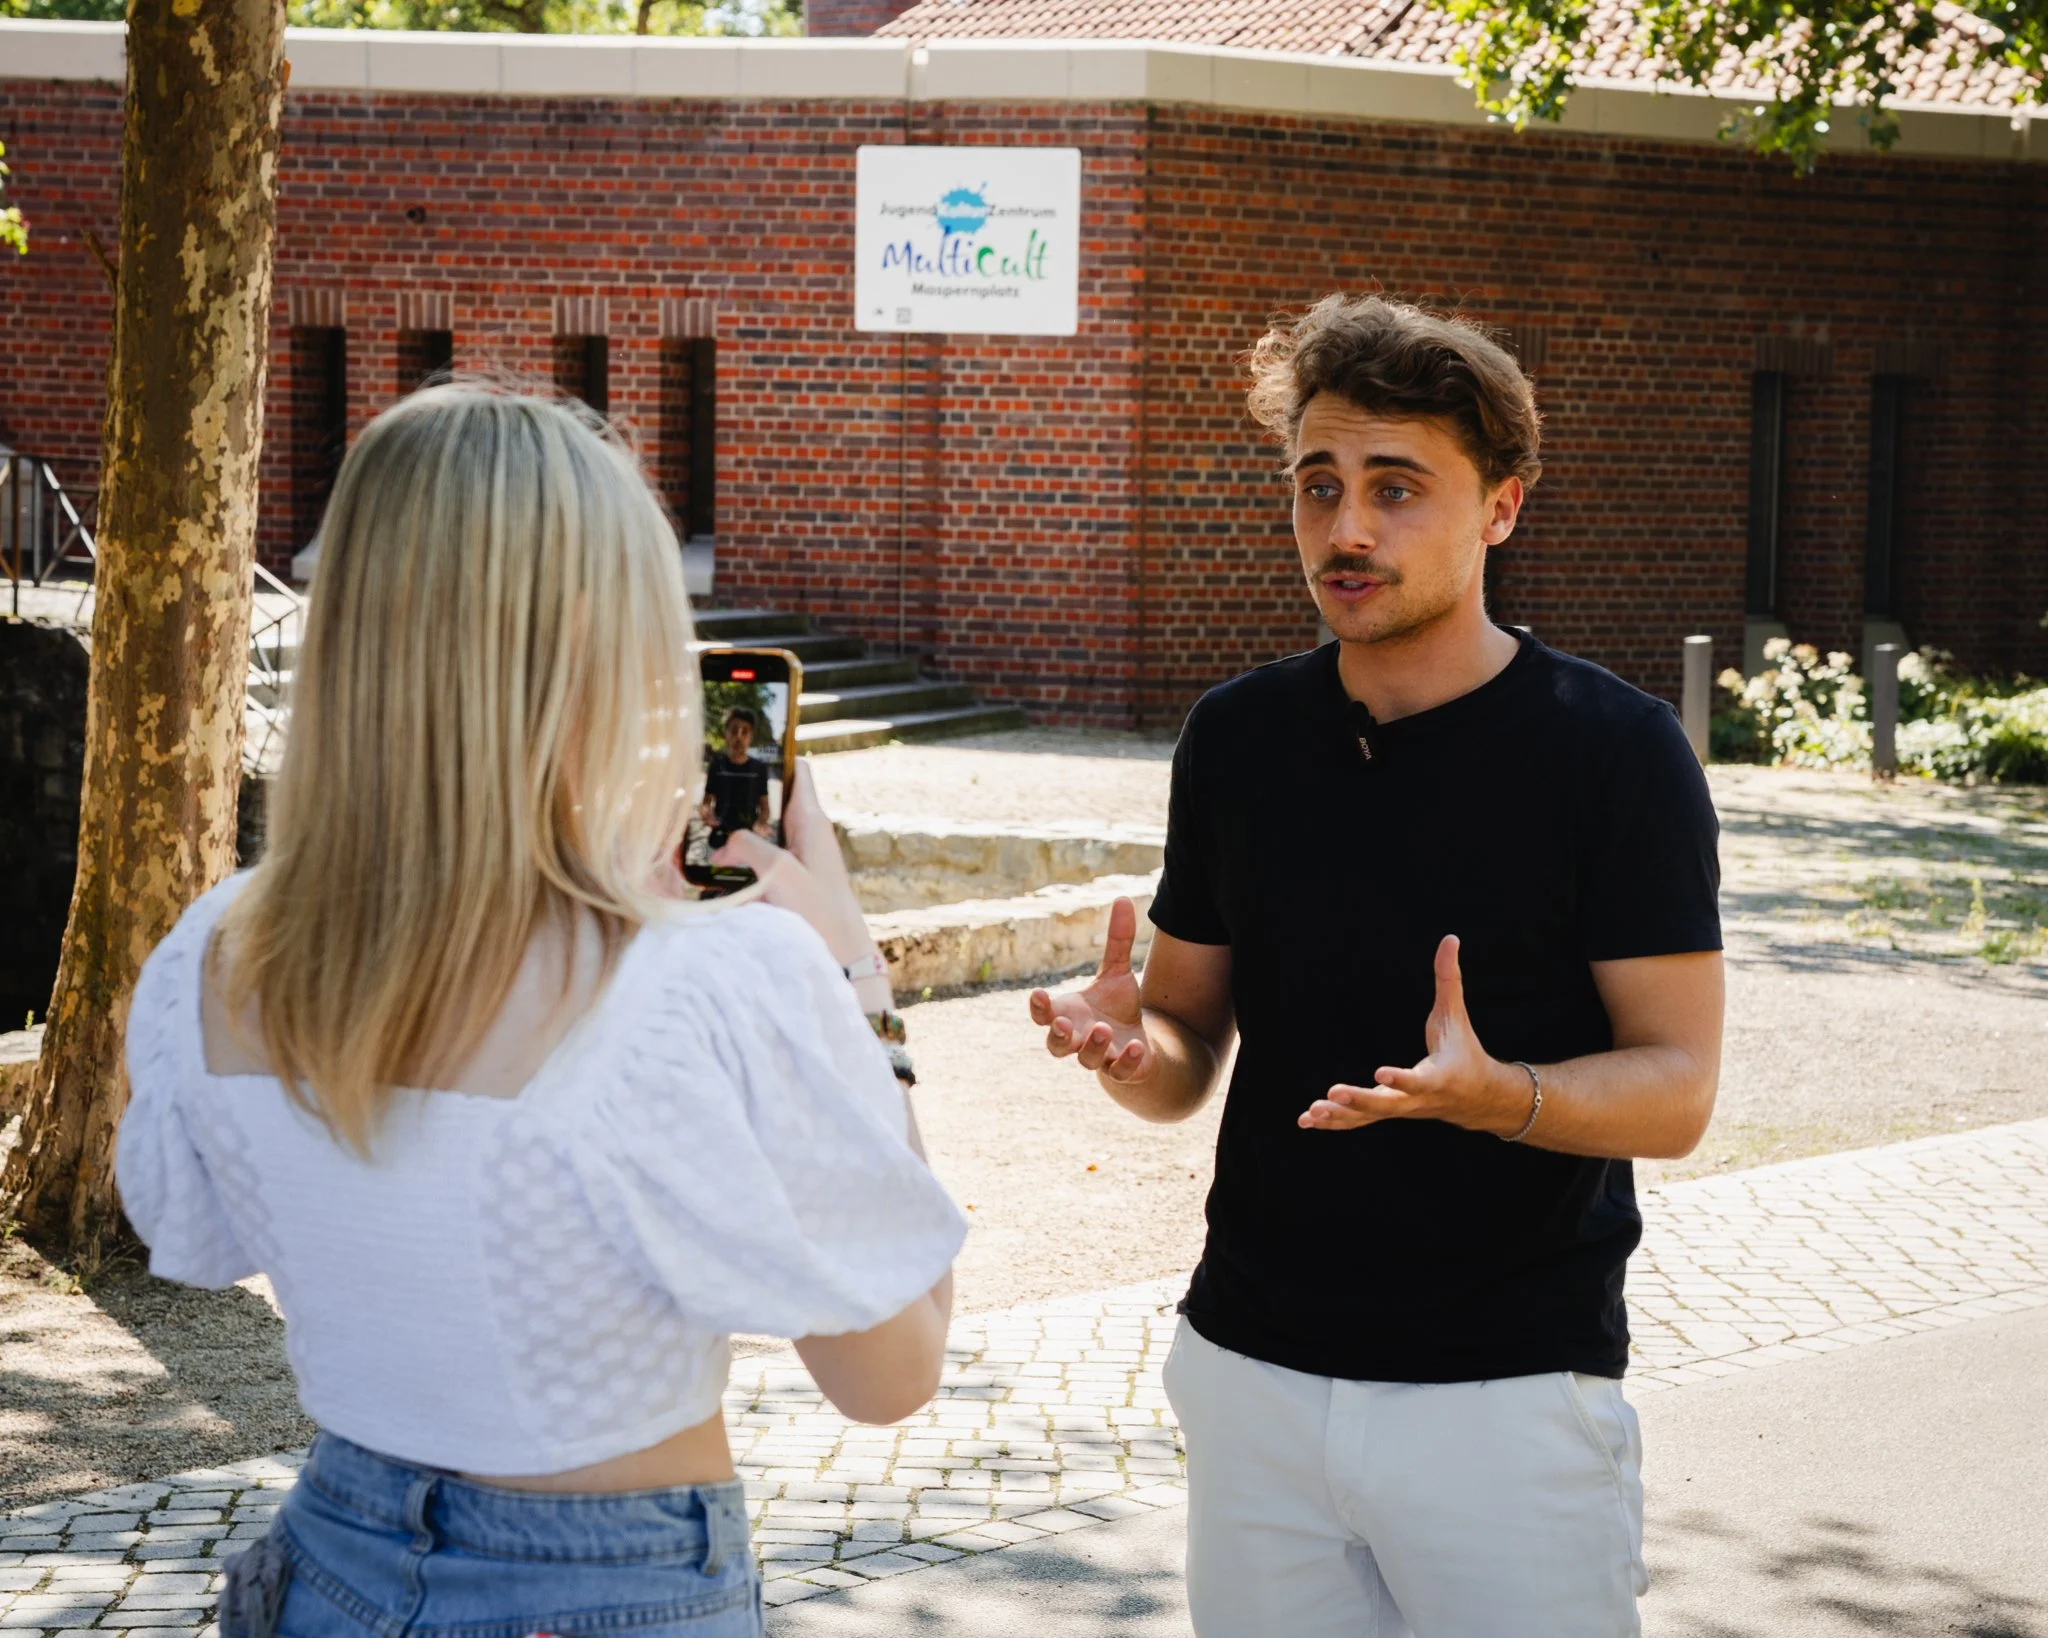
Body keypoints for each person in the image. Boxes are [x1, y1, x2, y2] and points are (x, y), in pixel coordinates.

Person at [115, 386, 963, 1638]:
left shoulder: (218, 951)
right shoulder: (707, 981)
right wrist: (848, 972)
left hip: (326, 1567)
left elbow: (192, 1232)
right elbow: (892, 1372)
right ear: (585, 638)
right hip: (605, 1592)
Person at [1029, 295, 1724, 1638]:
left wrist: (1499, 1092)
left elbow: (1678, 1087)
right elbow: (1183, 1055)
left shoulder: (1615, 753)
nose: (1348, 530)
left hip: (1506, 1399)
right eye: (1320, 485)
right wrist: (1129, 1051)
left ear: (1501, 508)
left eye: (1397, 490)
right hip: (1252, 1377)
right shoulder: (1236, 739)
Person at [700, 706, 775, 844]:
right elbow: (706, 803)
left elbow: (765, 808)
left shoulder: (759, 768)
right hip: (720, 835)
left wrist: (760, 823)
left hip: (749, 838)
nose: (738, 737)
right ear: (726, 734)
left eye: (745, 732)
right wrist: (707, 815)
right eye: (734, 731)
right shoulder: (716, 765)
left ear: (751, 737)